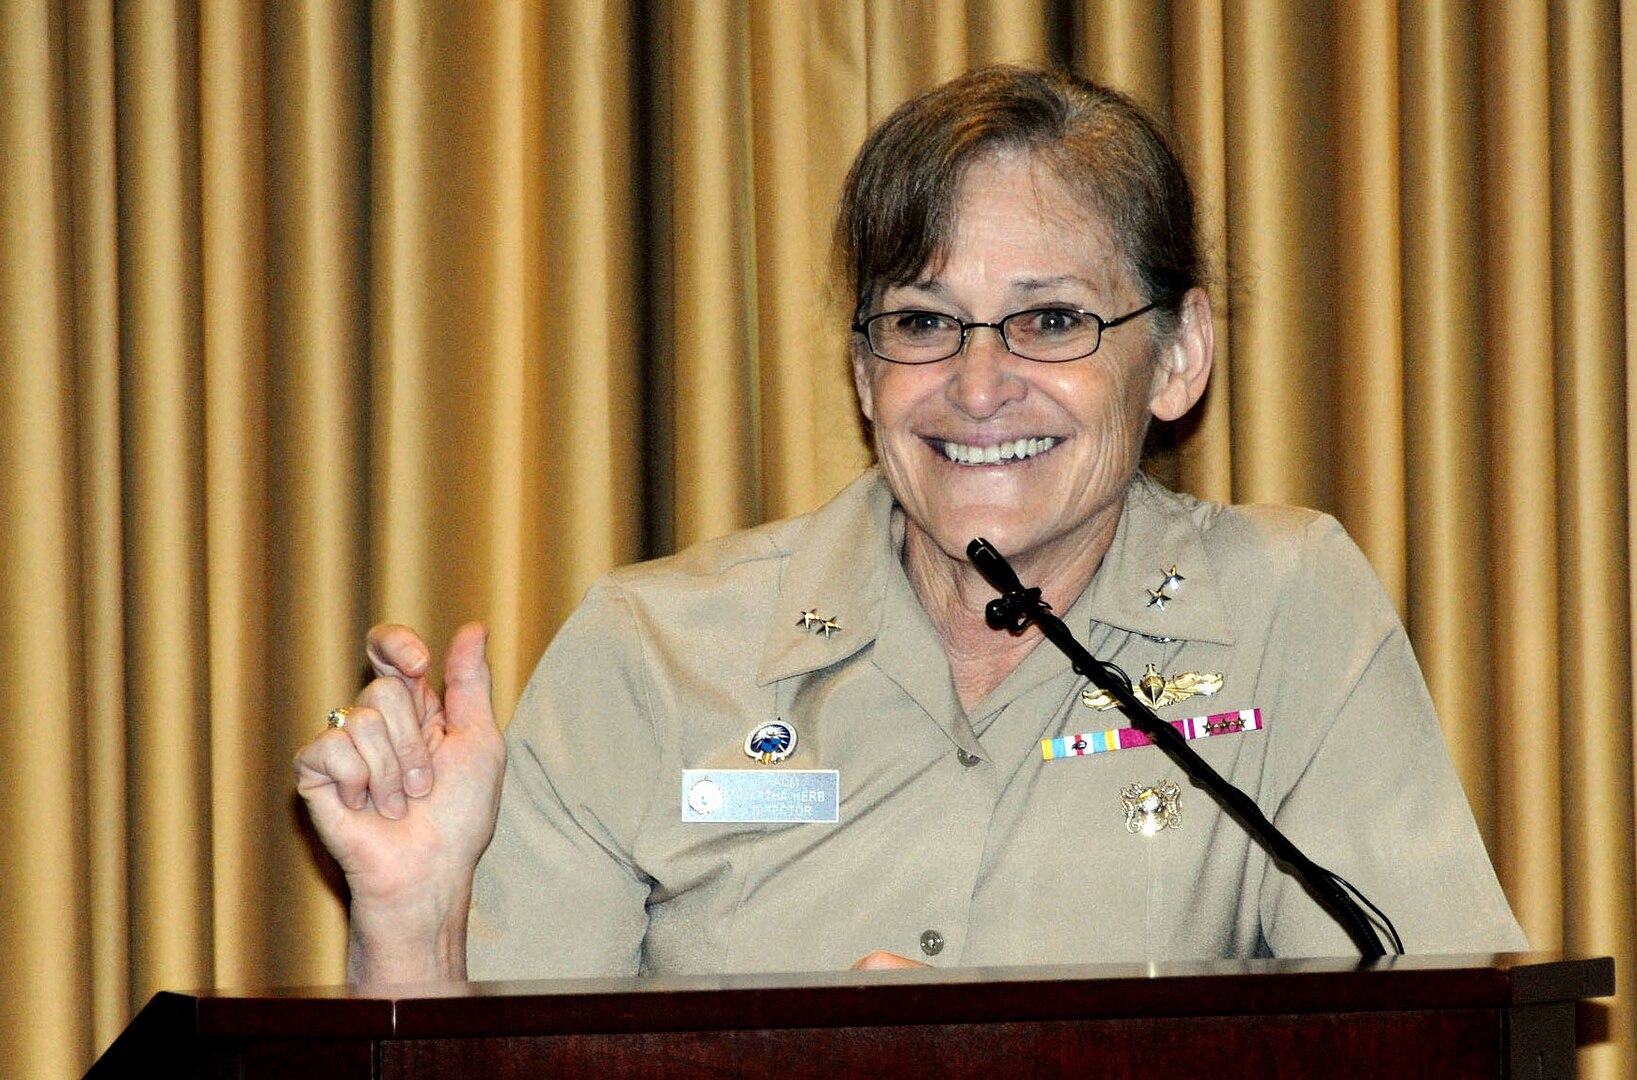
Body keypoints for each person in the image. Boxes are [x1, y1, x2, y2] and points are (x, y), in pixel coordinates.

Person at [295, 65, 1526, 984]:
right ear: (863, 367)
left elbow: (1432, 1037)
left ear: (1177, 356)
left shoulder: (1283, 608)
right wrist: (411, 928)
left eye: (1048, 321)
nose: (977, 386)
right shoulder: (651, 656)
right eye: (924, 322)